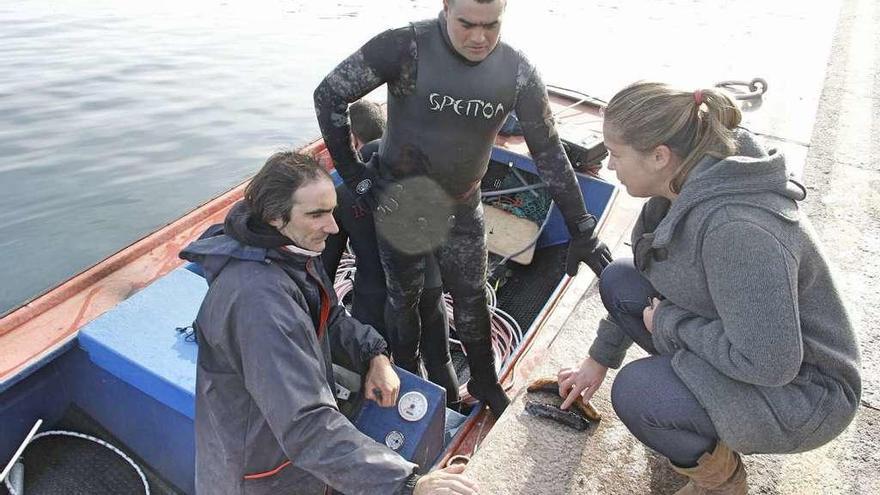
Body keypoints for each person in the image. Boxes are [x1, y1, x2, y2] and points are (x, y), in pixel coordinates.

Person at [557, 82, 861, 494]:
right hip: (746, 342)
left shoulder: (739, 231)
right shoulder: (675, 191)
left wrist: (670, 324)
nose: (610, 166)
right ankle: (689, 414)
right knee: (620, 279)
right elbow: (649, 277)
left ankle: (721, 481)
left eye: (615, 154)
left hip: (805, 393)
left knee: (639, 392)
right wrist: (598, 359)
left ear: (660, 156)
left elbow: (772, 364)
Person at [314, 0, 612, 417]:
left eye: (491, 25)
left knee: (472, 299)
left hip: (462, 206)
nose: (479, 37)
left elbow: (548, 151)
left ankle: (485, 382)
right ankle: (407, 374)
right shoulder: (405, 47)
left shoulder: (516, 71)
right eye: (467, 23)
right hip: (401, 206)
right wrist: (354, 172)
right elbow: (330, 94)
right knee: (405, 299)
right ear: (446, 9)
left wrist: (582, 227)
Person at [180, 151, 478, 495]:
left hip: (289, 459)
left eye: (332, 211)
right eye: (317, 214)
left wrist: (373, 355)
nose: (334, 227)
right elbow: (306, 425)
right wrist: (407, 483)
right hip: (260, 478)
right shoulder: (258, 303)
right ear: (276, 217)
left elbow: (329, 315)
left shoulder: (291, 250)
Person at [323, 100, 461, 406]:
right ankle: (452, 417)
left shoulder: (343, 194)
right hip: (428, 287)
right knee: (439, 360)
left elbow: (326, 268)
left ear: (354, 142)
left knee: (374, 365)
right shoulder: (426, 179)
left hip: (373, 296)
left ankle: (379, 421)